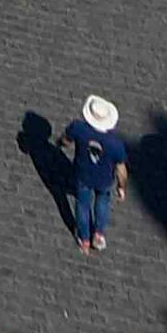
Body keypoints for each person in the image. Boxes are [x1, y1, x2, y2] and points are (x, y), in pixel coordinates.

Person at [62, 95, 126, 252]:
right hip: (105, 179)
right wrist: (121, 186)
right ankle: (98, 235)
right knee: (102, 202)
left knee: (83, 205)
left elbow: (66, 140)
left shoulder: (78, 128)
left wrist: (60, 142)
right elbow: (121, 169)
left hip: (83, 175)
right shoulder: (115, 144)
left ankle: (84, 239)